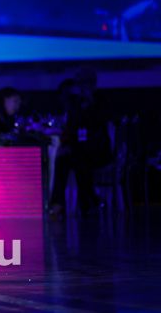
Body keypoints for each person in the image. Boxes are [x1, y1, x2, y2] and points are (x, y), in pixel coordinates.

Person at [49, 67, 111, 218]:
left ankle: (91, 203)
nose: (81, 86)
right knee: (62, 159)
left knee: (78, 161)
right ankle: (58, 203)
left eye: (84, 82)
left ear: (92, 83)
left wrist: (91, 102)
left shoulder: (101, 101)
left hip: (99, 151)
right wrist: (67, 144)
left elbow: (103, 120)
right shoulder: (75, 103)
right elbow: (71, 127)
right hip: (80, 150)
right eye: (78, 82)